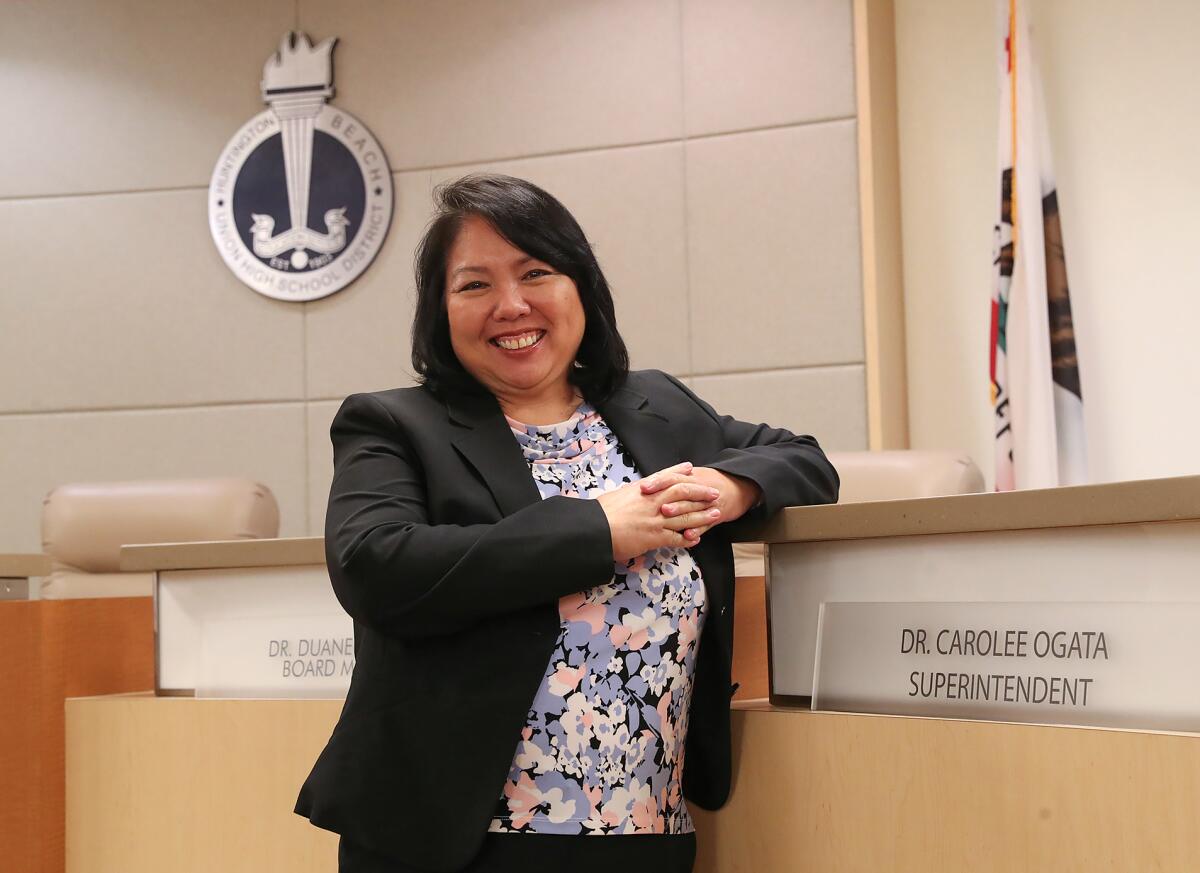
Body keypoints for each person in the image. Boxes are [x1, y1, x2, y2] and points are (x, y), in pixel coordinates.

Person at [295, 174, 839, 873]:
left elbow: (805, 459)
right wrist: (598, 530)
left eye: (535, 272)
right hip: (456, 844)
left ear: (581, 286)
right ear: (440, 309)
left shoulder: (657, 408)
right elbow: (376, 566)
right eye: (474, 285)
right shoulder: (394, 424)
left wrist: (728, 485)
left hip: (645, 832)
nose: (511, 305)